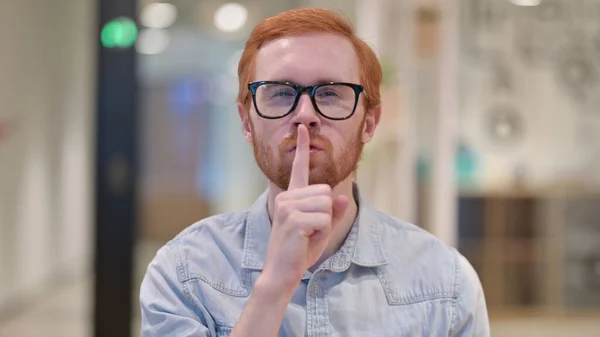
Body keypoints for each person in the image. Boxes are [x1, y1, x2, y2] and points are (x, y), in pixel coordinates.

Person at [140, 7, 489, 337]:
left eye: (331, 93)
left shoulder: (445, 283)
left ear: (369, 123)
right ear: (247, 122)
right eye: (279, 92)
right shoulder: (185, 272)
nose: (305, 113)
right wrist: (276, 283)